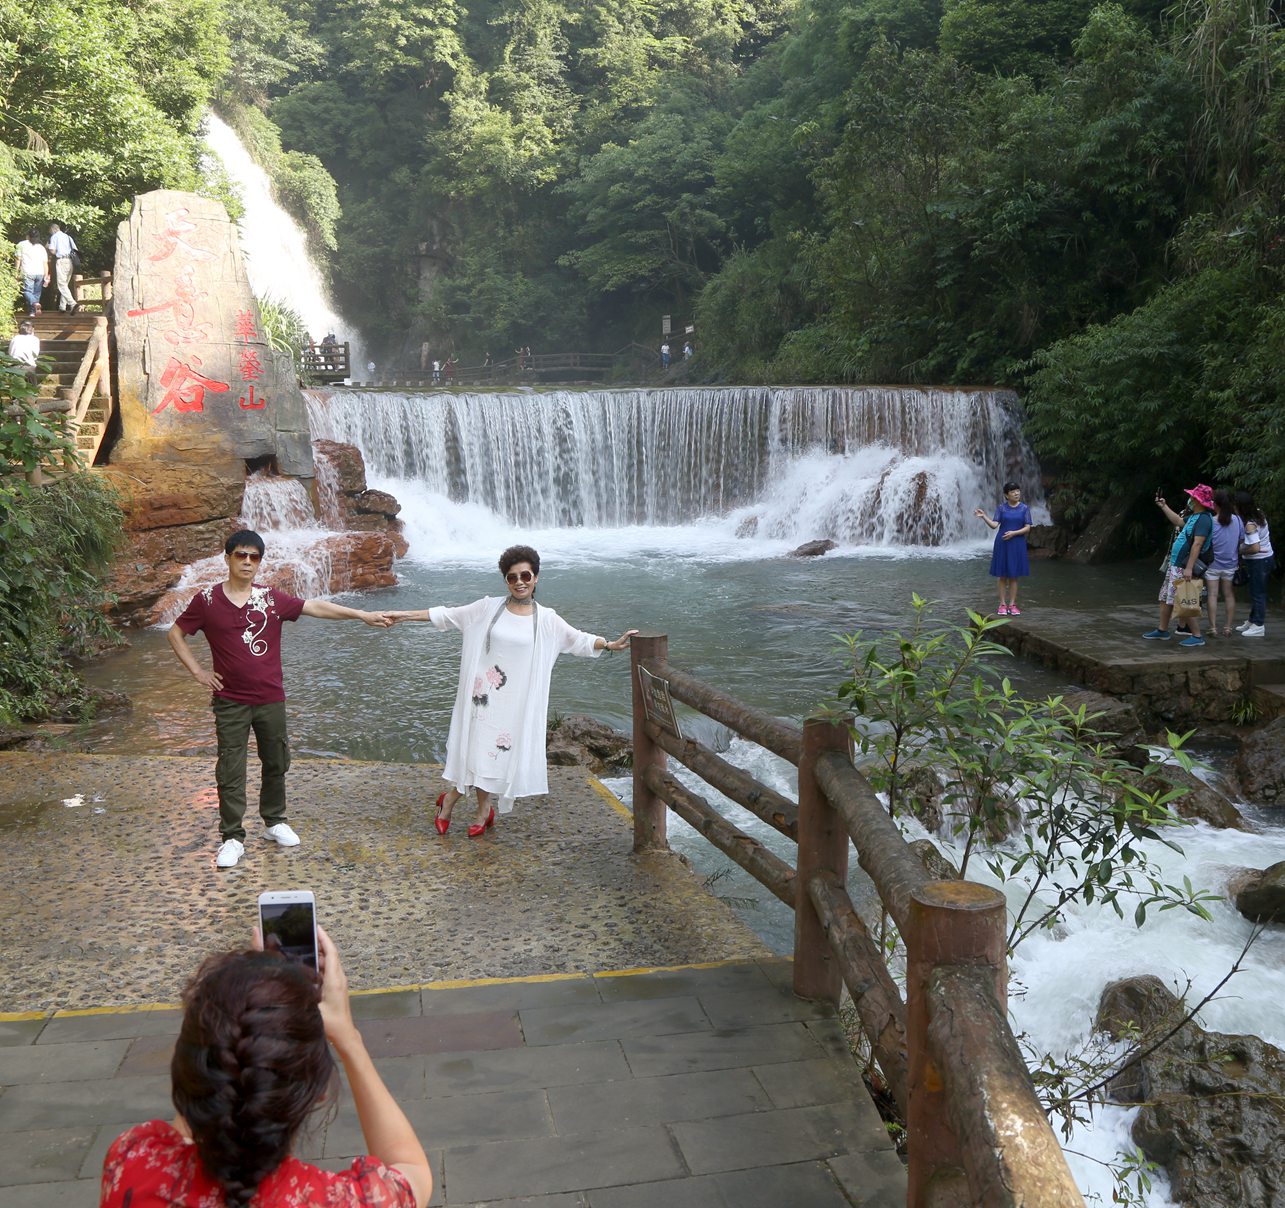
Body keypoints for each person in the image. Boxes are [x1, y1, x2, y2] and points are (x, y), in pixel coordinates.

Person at [99, 929, 432, 1208]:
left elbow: (202, 1099)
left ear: (182, 1067)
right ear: (318, 1093)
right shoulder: (338, 1201)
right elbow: (411, 1169)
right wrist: (348, 1037)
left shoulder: (132, 1163)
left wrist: (242, 1003)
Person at [167, 530, 393, 869]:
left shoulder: (269, 598)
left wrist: (361, 615)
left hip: (271, 698)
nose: (247, 561)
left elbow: (313, 606)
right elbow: (175, 633)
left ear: (259, 562)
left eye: (254, 557)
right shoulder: (208, 601)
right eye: (241, 555)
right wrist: (198, 672)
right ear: (227, 557)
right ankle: (232, 837)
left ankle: (274, 822)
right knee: (230, 768)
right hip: (230, 701)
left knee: (276, 761)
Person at [386, 545, 637, 837]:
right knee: (477, 755)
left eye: (525, 575)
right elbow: (445, 615)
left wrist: (610, 645)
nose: (519, 582)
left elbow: (577, 640)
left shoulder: (547, 620)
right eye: (512, 577)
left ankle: (460, 804)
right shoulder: (486, 608)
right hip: (482, 700)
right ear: (505, 580)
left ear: (536, 578)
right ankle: (467, 806)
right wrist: (400, 616)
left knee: (494, 758)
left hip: (516, 706)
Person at [1144, 484, 1214, 646]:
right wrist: (1164, 506)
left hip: (1183, 566)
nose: (1189, 499)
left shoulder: (1204, 519)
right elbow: (1178, 521)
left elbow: (1197, 544)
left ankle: (1197, 636)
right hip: (1175, 564)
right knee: (1165, 598)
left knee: (1184, 599)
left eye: (1192, 497)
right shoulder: (1195, 516)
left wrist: (1189, 568)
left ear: (1197, 500)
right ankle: (1162, 630)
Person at [974, 481, 1032, 615]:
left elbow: (1027, 527)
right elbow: (994, 525)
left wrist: (1014, 533)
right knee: (1002, 575)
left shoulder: (1024, 508)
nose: (1016, 493)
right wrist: (983, 516)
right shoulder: (1001, 508)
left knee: (1014, 576)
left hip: (1017, 543)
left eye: (1017, 490)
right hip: (1003, 543)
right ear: (1006, 495)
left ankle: (1012, 605)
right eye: (1013, 492)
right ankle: (1002, 604)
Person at [1203, 489, 1245, 637]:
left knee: (1212, 595)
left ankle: (1213, 628)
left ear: (1216, 504)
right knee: (1229, 595)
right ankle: (1228, 628)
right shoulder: (1238, 520)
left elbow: (1206, 543)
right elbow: (1241, 541)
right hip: (1231, 564)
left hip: (1213, 564)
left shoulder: (1211, 521)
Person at [1235, 490, 1274, 638]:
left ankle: (1259, 625)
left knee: (1258, 593)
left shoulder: (1250, 524)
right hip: (1264, 558)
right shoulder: (1259, 513)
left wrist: (1239, 550)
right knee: (1255, 591)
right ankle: (1252, 620)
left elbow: (1255, 547)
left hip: (1259, 560)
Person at [13, 227, 49, 316]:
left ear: (28, 236)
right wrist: (46, 275)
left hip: (27, 272)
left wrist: (16, 272)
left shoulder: (21, 244)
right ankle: (33, 312)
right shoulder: (41, 248)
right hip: (40, 272)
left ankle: (34, 304)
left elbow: (18, 259)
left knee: (27, 291)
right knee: (36, 293)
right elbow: (45, 263)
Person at [47, 221, 79, 313]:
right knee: (65, 284)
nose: (50, 233)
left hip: (61, 261)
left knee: (61, 284)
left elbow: (53, 251)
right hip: (70, 261)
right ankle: (62, 306)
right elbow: (75, 250)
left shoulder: (54, 237)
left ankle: (72, 303)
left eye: (50, 231)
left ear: (53, 229)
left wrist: (48, 246)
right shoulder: (68, 237)